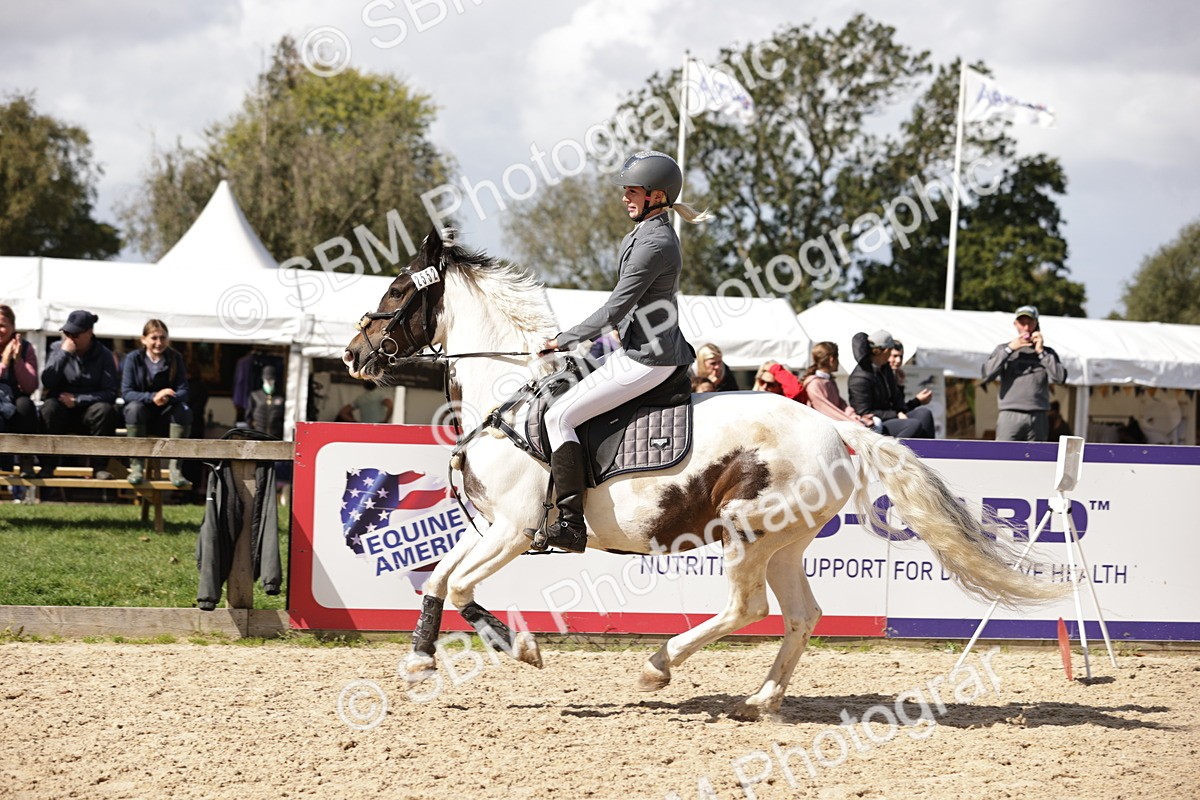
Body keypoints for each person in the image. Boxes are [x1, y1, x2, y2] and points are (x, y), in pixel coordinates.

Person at [540, 150, 709, 553]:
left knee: (558, 417)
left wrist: (564, 339)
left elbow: (615, 306)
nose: (624, 197)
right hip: (633, 346)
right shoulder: (643, 233)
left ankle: (570, 523)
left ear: (656, 196)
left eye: (632, 191)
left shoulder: (656, 242)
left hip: (649, 358)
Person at [39, 310, 121, 478]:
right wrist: (63, 354)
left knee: (105, 410)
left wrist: (78, 400)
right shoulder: (57, 348)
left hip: (88, 413)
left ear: (89, 333)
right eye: (67, 333)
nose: (70, 338)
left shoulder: (104, 355)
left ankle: (100, 467)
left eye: (75, 334)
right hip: (61, 412)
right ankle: (47, 465)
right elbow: (47, 381)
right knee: (49, 407)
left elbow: (110, 392)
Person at [121, 319, 192, 487]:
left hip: (166, 416)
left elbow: (184, 391)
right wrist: (153, 397)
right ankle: (136, 467)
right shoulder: (133, 358)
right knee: (133, 408)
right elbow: (127, 393)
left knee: (184, 410)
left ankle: (175, 468)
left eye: (163, 338)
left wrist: (168, 397)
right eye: (154, 338)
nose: (159, 343)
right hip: (141, 416)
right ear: (143, 339)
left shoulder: (175, 358)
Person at [981, 305, 1067, 441]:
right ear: (1015, 324)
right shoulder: (1003, 349)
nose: (1026, 328)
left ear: (1036, 324)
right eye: (1022, 323)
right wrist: (1009, 349)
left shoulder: (1047, 352)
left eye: (1030, 323)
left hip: (1039, 414)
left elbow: (1060, 378)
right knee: (1004, 453)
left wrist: (1041, 352)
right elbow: (987, 374)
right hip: (1010, 413)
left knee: (1037, 455)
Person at [848, 329, 935, 438]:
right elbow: (864, 412)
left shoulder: (885, 369)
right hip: (874, 424)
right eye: (891, 351)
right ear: (884, 351)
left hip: (890, 418)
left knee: (924, 414)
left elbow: (899, 406)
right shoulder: (859, 378)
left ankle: (928, 448)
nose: (897, 360)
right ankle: (893, 449)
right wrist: (896, 414)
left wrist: (901, 388)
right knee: (912, 425)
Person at [0, 304, 40, 477]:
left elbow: (30, 386)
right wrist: (4, 362)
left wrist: (17, 361)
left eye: (2, 325)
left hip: (15, 398)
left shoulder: (26, 348)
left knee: (25, 405)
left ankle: (26, 461)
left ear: (13, 327)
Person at [801, 342, 874, 427]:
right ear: (831, 360)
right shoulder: (814, 384)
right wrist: (853, 423)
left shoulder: (829, 380)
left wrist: (853, 415)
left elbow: (841, 404)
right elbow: (828, 411)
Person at [889, 340, 934, 410]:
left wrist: (900, 384)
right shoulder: (879, 376)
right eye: (895, 356)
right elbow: (896, 410)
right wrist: (917, 401)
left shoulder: (895, 376)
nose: (898, 360)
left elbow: (900, 407)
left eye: (901, 356)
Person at [245, 365, 286, 439]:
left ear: (274, 380)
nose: (269, 383)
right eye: (267, 380)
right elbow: (248, 416)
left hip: (275, 436)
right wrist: (251, 433)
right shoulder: (255, 396)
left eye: (271, 380)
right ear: (263, 380)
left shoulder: (281, 397)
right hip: (258, 435)